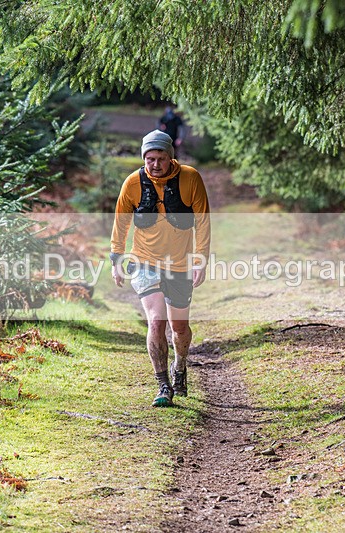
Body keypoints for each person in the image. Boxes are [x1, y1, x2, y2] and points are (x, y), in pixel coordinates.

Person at [110, 130, 210, 407]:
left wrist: (200, 259)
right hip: (144, 262)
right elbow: (121, 223)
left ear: (170, 157)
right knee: (156, 321)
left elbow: (202, 221)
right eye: (150, 158)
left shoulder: (191, 178)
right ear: (144, 158)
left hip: (179, 264)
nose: (155, 164)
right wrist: (116, 259)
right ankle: (163, 384)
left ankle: (180, 367)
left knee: (179, 327)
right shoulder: (132, 183)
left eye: (161, 158)